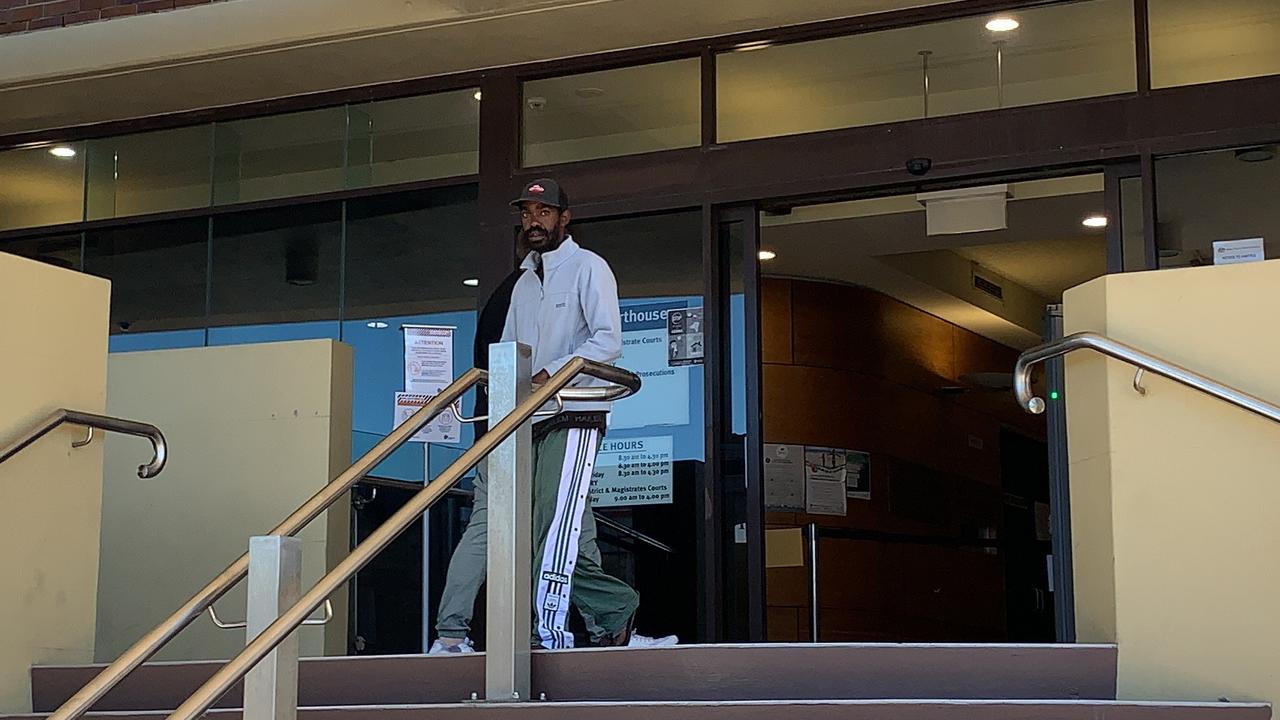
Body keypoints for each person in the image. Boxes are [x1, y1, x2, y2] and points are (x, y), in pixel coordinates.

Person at [428, 179, 674, 652]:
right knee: (570, 531)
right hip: (528, 420)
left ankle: (559, 631)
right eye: (527, 213)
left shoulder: (589, 268)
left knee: (550, 534)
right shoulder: (522, 283)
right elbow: (510, 354)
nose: (534, 221)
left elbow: (608, 341)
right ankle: (613, 623)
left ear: (565, 217)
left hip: (576, 415)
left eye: (544, 212)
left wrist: (552, 373)